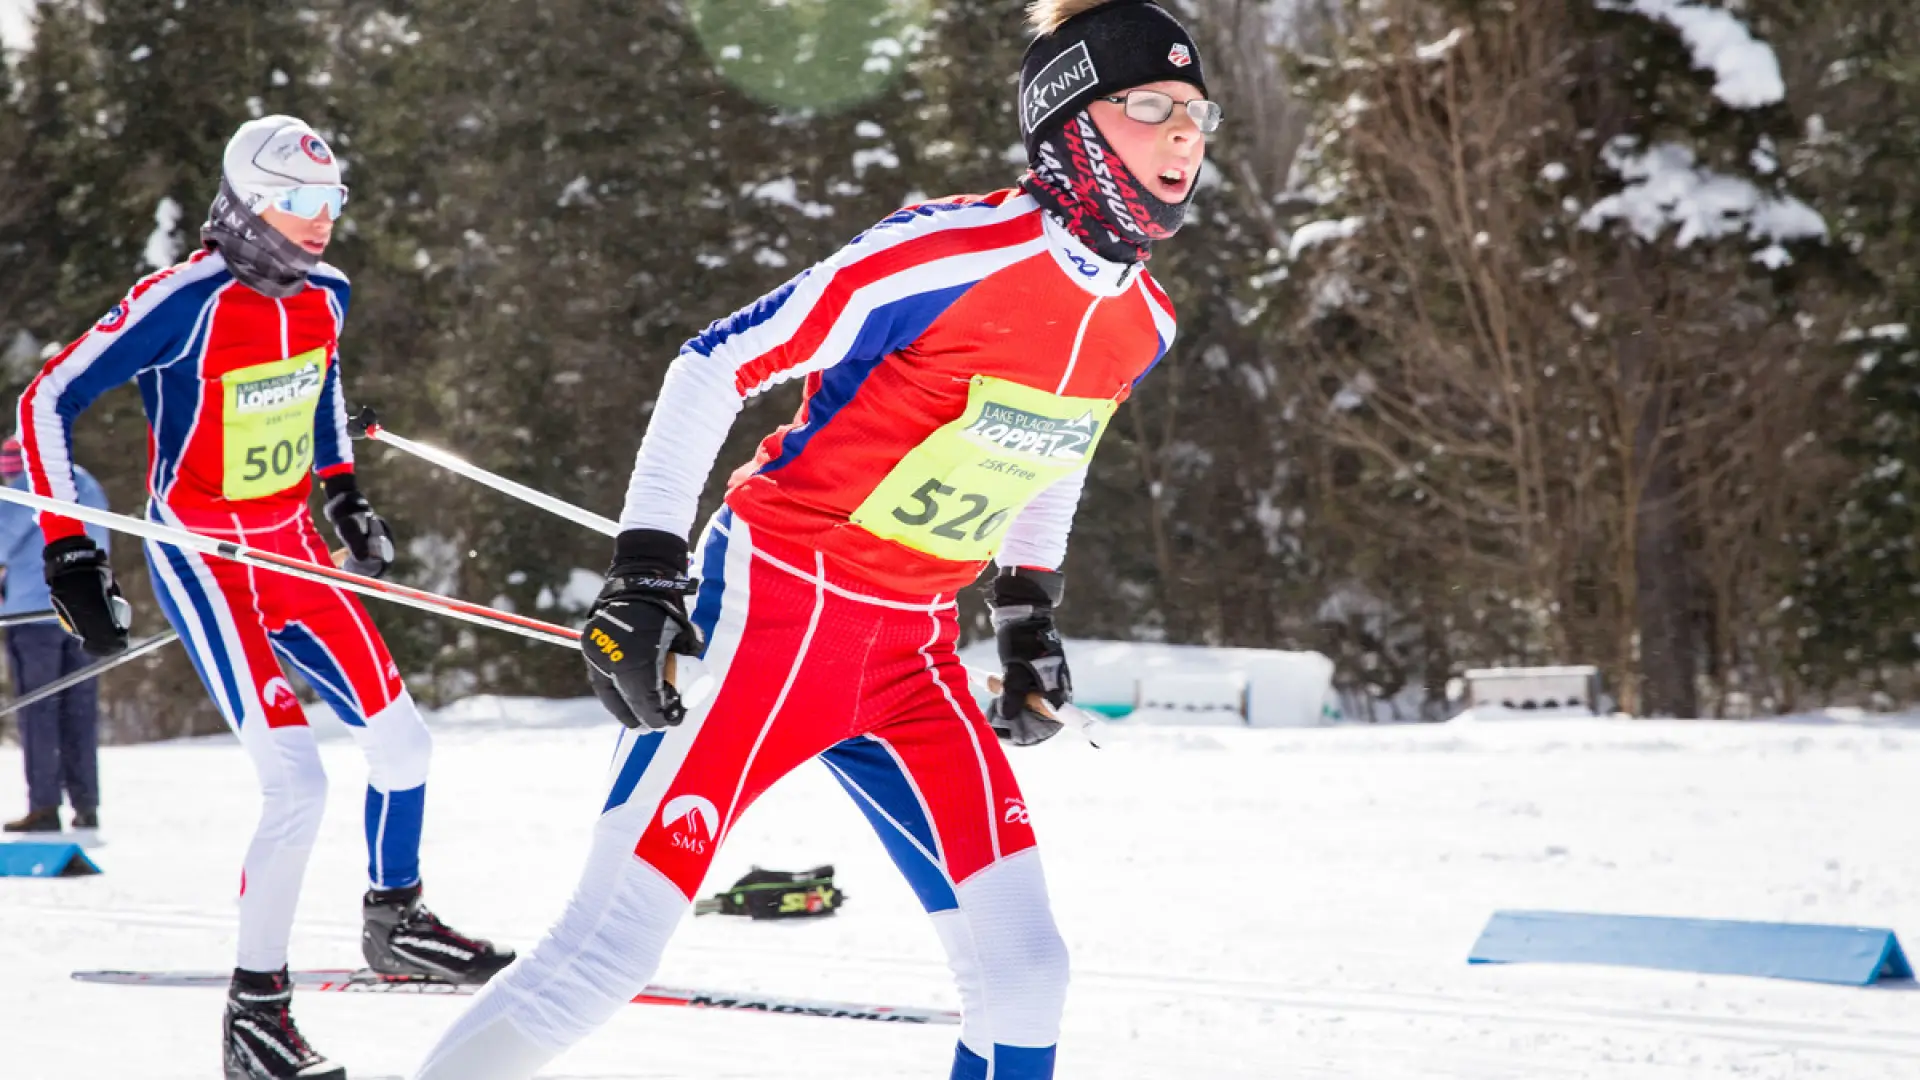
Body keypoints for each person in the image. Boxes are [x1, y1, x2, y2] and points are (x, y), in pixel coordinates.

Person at [412, 2, 1216, 1077]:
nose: (1183, 136)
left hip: (912, 654)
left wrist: (1028, 613)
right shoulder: (944, 252)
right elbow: (713, 364)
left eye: (1199, 117)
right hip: (770, 616)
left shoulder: (1143, 321)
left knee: (1026, 971)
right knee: (604, 954)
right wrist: (647, 573)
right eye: (1151, 106)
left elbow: (1056, 446)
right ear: (1069, 117)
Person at [15, 115, 513, 1080]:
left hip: (292, 550)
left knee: (405, 742)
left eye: (327, 204)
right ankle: (255, 1018)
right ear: (244, 206)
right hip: (204, 555)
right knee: (296, 781)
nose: (316, 225)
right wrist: (74, 552)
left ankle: (396, 920)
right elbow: (47, 400)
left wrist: (344, 490)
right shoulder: (183, 299)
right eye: (293, 204)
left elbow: (319, 382)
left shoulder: (326, 291)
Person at [0, 436, 111, 833]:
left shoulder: (26, 487)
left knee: (40, 711)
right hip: (84, 613)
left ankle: (45, 807)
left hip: (33, 615)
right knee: (79, 711)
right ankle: (87, 804)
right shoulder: (87, 483)